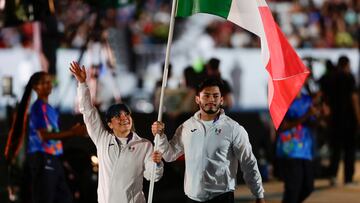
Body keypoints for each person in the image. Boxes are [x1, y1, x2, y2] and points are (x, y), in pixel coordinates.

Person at [152, 78, 265, 203]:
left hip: (222, 197)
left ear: (221, 100)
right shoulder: (186, 126)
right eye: (206, 96)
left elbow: (248, 162)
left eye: (215, 96)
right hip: (192, 198)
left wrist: (259, 194)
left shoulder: (234, 128)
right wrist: (161, 136)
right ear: (197, 99)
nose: (211, 99)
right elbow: (169, 155)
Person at [69, 61, 163, 203]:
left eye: (127, 114)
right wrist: (82, 83)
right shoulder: (102, 139)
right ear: (109, 124)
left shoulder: (144, 145)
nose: (124, 118)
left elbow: (153, 175)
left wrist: (157, 163)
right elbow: (88, 111)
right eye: (118, 116)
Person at [4, 71, 87, 203]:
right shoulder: (38, 108)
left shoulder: (50, 109)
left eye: (49, 82)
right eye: (44, 83)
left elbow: (54, 136)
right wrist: (73, 133)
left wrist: (71, 134)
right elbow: (44, 136)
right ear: (36, 87)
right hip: (42, 159)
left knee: (65, 198)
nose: (48, 85)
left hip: (54, 159)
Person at [276, 87, 319, 203]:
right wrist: (306, 115)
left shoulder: (307, 99)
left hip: (306, 151)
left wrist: (322, 116)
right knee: (293, 190)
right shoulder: (283, 100)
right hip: (289, 151)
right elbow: (282, 127)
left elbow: (313, 123)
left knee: (308, 187)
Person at [326, 55, 360, 186]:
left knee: (336, 149)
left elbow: (327, 98)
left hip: (335, 119)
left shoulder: (331, 78)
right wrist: (358, 118)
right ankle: (348, 178)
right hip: (348, 119)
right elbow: (354, 98)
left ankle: (333, 176)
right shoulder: (349, 77)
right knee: (349, 149)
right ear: (347, 64)